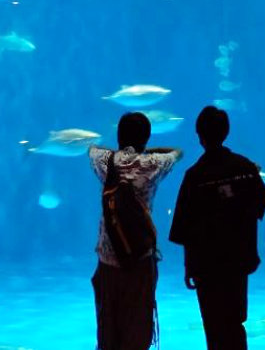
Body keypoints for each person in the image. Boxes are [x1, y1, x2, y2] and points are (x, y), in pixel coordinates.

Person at [169, 106, 265, 350]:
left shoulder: (194, 176)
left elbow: (184, 228)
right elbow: (260, 204)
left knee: (214, 326)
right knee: (235, 323)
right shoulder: (246, 168)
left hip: (207, 267)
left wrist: (188, 267)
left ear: (199, 135)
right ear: (227, 132)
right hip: (238, 262)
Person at [89, 111, 183, 350]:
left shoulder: (104, 161)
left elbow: (91, 149)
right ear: (147, 137)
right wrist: (147, 151)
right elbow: (177, 153)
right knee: (138, 332)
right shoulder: (153, 165)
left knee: (108, 332)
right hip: (140, 262)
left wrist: (123, 150)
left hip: (108, 263)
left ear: (119, 135)